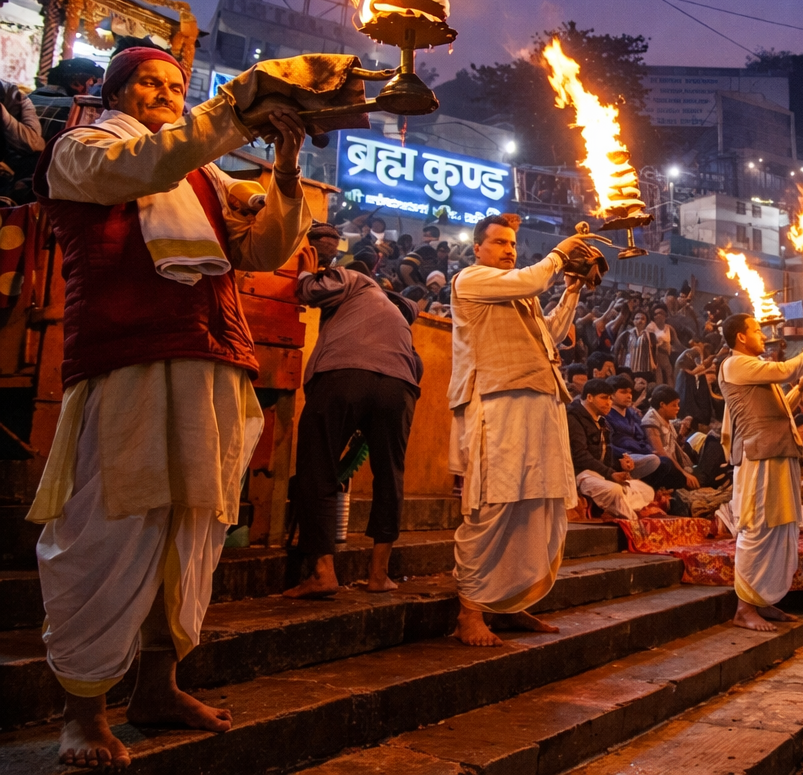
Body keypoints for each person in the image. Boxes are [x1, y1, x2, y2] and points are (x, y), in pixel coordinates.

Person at [25, 46, 314, 767]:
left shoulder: (203, 173)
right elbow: (147, 165)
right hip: (128, 362)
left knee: (193, 534)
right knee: (107, 530)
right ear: (119, 92)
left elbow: (264, 249)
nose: (163, 92)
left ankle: (158, 686)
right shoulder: (84, 149)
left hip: (214, 362)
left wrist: (282, 171)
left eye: (175, 86)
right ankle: (82, 715)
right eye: (148, 82)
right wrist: (236, 111)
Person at [445, 213, 597, 647]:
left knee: (535, 504)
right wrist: (561, 252)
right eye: (498, 243)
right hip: (497, 402)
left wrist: (571, 291)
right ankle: (469, 611)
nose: (508, 250)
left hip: (540, 400)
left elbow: (549, 336)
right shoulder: (471, 279)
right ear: (477, 249)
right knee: (494, 502)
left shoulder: (518, 292)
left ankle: (509, 602)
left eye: (512, 244)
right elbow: (531, 280)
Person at [283, 237, 423, 599]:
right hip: (401, 385)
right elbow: (416, 363)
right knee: (389, 476)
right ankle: (379, 575)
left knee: (319, 468)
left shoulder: (355, 279)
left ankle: (323, 572)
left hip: (343, 374)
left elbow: (312, 291)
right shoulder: (399, 310)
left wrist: (306, 272)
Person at [717, 313, 803, 631]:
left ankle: (762, 601)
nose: (762, 336)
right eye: (757, 331)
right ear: (741, 337)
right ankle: (744, 609)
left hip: (778, 454)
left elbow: (781, 405)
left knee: (781, 528)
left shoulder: (749, 368)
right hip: (759, 457)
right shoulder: (735, 363)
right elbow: (783, 370)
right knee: (758, 528)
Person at [568, 378, 656, 520]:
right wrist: (610, 474)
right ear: (589, 397)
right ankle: (631, 521)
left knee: (647, 491)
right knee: (615, 491)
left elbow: (604, 453)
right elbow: (580, 456)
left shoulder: (601, 420)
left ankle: (614, 509)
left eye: (610, 398)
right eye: (604, 398)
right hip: (580, 475)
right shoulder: (574, 418)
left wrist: (619, 466)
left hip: (601, 474)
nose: (608, 402)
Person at [31, 57, 103, 141]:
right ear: (76, 81)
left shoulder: (28, 98)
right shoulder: (75, 107)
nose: (91, 85)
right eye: (92, 81)